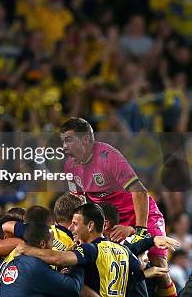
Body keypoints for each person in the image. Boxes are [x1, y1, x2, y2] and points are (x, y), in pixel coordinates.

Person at [60, 117, 177, 297]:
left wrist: (138, 231)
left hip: (142, 216)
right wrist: (76, 231)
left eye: (69, 140)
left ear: (85, 140)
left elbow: (140, 192)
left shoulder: (108, 157)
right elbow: (79, 202)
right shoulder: (69, 166)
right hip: (109, 221)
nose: (65, 147)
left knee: (160, 267)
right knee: (111, 268)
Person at [15, 203, 176, 296]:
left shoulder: (90, 249)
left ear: (90, 226)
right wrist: (150, 246)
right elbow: (131, 276)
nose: (71, 228)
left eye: (76, 223)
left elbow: (59, 259)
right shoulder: (123, 251)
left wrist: (27, 249)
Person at [0, 223, 85, 297]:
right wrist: (79, 258)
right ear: (42, 244)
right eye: (52, 242)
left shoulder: (6, 262)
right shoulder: (33, 265)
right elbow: (73, 288)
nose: (53, 246)